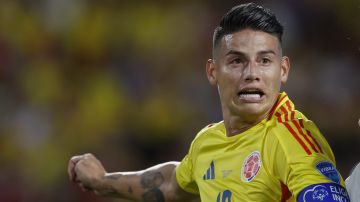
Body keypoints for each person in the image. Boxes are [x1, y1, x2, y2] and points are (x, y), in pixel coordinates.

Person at [68, 3, 350, 202]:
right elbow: (172, 183)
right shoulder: (208, 142)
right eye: (237, 61)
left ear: (284, 70)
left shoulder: (291, 139)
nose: (252, 74)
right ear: (213, 71)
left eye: (265, 61)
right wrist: (103, 181)